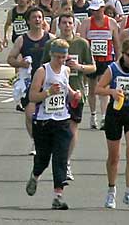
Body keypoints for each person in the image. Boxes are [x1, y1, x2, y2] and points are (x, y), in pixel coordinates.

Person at [25, 39, 80, 211]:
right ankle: (35, 176)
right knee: (43, 159)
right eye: (58, 57)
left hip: (62, 120)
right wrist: (48, 92)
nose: (61, 60)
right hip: (43, 121)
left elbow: (67, 91)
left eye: (64, 57)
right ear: (51, 55)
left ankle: (58, 196)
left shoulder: (66, 70)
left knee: (60, 158)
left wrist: (75, 95)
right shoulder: (43, 71)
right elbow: (32, 96)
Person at [42, 13, 96, 181]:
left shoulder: (82, 44)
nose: (67, 26)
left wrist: (79, 67)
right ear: (59, 25)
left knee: (72, 130)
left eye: (70, 23)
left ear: (74, 25)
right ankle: (55, 158)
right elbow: (42, 68)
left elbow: (93, 67)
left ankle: (66, 163)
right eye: (64, 23)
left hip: (76, 91)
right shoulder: (51, 44)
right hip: (56, 92)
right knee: (55, 130)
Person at [96, 38, 129, 209]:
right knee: (114, 156)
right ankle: (111, 191)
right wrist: (111, 91)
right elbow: (98, 88)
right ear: (123, 54)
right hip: (115, 113)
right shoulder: (113, 69)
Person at [7, 7, 54, 155]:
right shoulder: (22, 39)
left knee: (49, 115)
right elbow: (10, 59)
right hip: (29, 82)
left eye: (40, 17)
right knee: (29, 115)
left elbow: (61, 58)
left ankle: (48, 140)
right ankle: (36, 141)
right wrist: (21, 64)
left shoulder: (50, 38)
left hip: (47, 82)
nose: (38, 20)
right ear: (29, 20)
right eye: (34, 17)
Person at [78, 0, 122, 130]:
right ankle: (93, 115)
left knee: (103, 89)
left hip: (106, 60)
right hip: (91, 60)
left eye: (97, 10)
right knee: (92, 89)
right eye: (93, 10)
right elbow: (82, 43)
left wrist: (118, 59)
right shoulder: (86, 23)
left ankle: (104, 117)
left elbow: (116, 42)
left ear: (103, 9)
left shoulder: (112, 23)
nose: (95, 13)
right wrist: (82, 60)